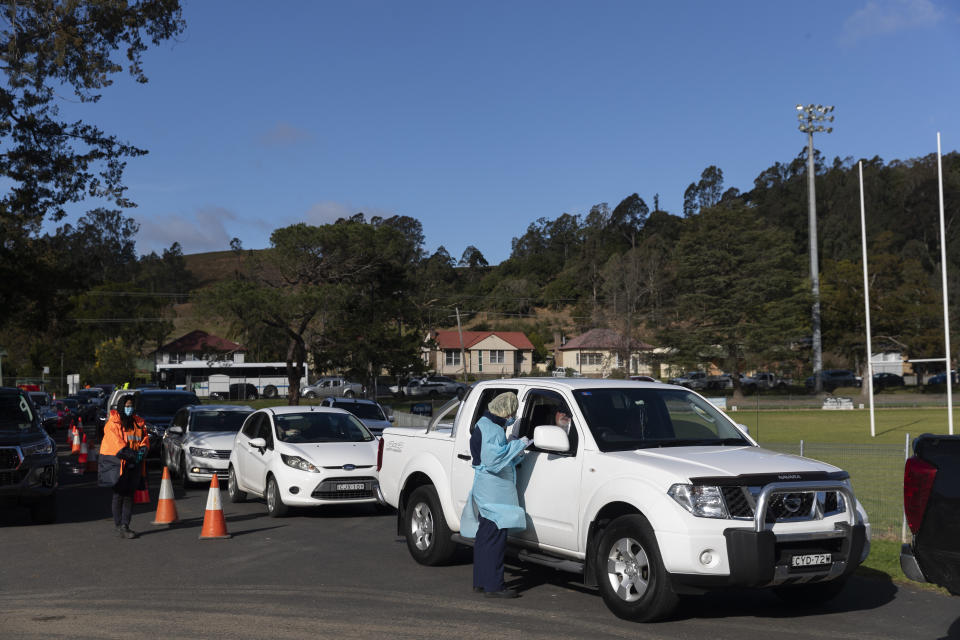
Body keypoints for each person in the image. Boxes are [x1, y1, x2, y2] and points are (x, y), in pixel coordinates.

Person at [460, 392, 532, 598]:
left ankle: (481, 581)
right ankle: (494, 586)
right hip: (493, 490)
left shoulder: (485, 424)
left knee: (485, 537)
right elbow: (493, 460)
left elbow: (494, 457)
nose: (512, 416)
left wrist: (513, 453)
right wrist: (518, 445)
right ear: (503, 410)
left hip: (487, 487)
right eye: (511, 412)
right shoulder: (492, 429)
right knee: (495, 538)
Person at [98, 394, 149, 539]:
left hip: (134, 464)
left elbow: (144, 439)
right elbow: (117, 444)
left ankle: (125, 525)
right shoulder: (113, 424)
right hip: (119, 464)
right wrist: (134, 455)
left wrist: (143, 451)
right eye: (126, 406)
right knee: (119, 495)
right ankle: (119, 525)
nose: (129, 408)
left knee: (129, 496)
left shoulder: (138, 423)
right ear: (121, 407)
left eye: (131, 406)